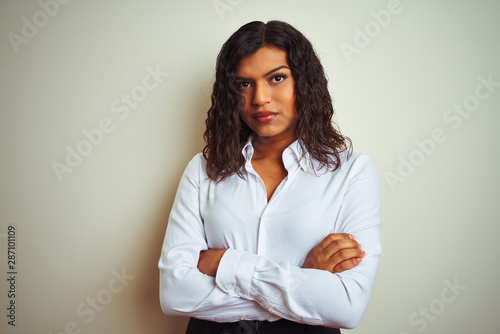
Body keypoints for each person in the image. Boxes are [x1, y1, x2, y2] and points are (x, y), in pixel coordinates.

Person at [158, 20, 381, 334]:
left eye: (277, 78)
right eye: (244, 84)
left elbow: (346, 306)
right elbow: (175, 294)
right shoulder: (203, 170)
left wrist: (225, 263)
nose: (260, 98)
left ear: (304, 82)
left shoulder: (352, 172)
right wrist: (302, 279)